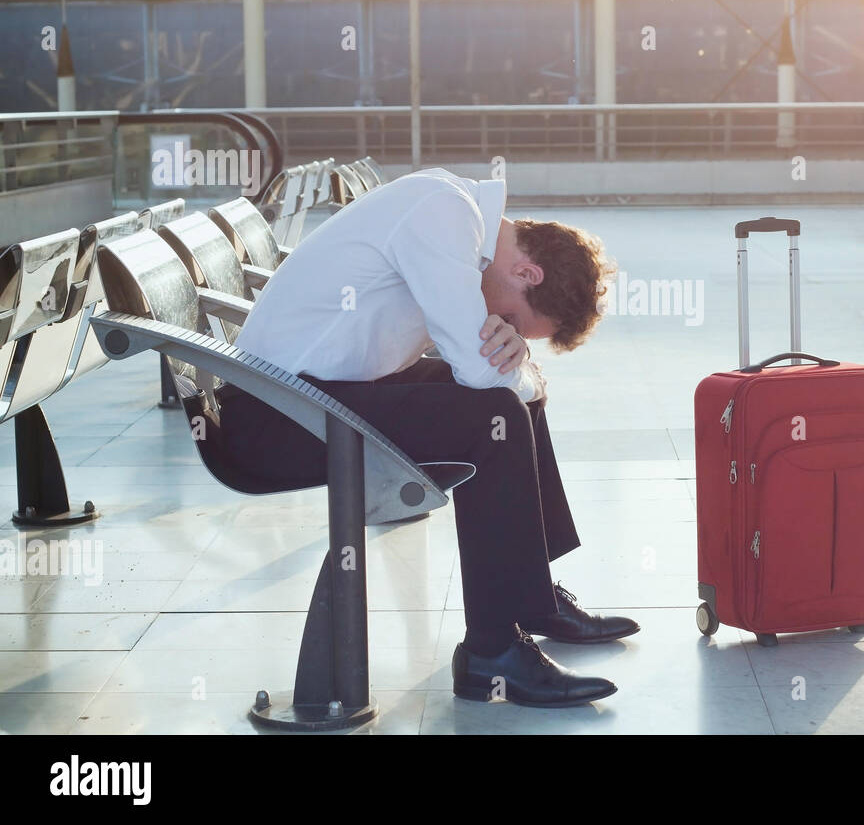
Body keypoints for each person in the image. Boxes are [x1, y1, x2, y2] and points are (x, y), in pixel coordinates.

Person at [215, 166, 637, 708]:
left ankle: (531, 600)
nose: (496, 321)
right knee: (495, 416)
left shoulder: (454, 212)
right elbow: (483, 372)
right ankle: (491, 651)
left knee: (512, 404)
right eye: (508, 316)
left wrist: (518, 364)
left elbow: (490, 370)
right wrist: (517, 366)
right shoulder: (443, 214)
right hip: (272, 417)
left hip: (314, 394)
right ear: (526, 272)